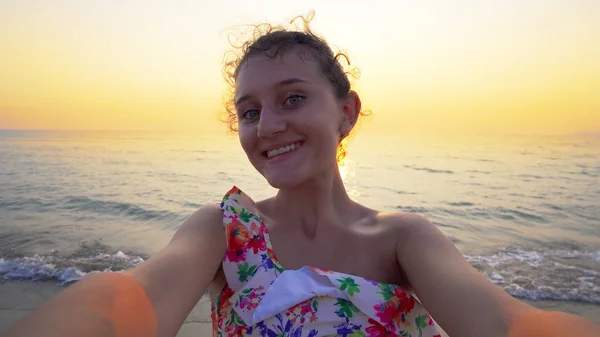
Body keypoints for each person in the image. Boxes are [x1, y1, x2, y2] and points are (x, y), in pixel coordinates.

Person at [2, 13, 599, 337]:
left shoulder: (404, 238)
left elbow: (508, 321)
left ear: (346, 112)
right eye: (250, 111)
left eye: (292, 99)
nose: (266, 127)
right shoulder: (224, 229)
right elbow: (131, 297)